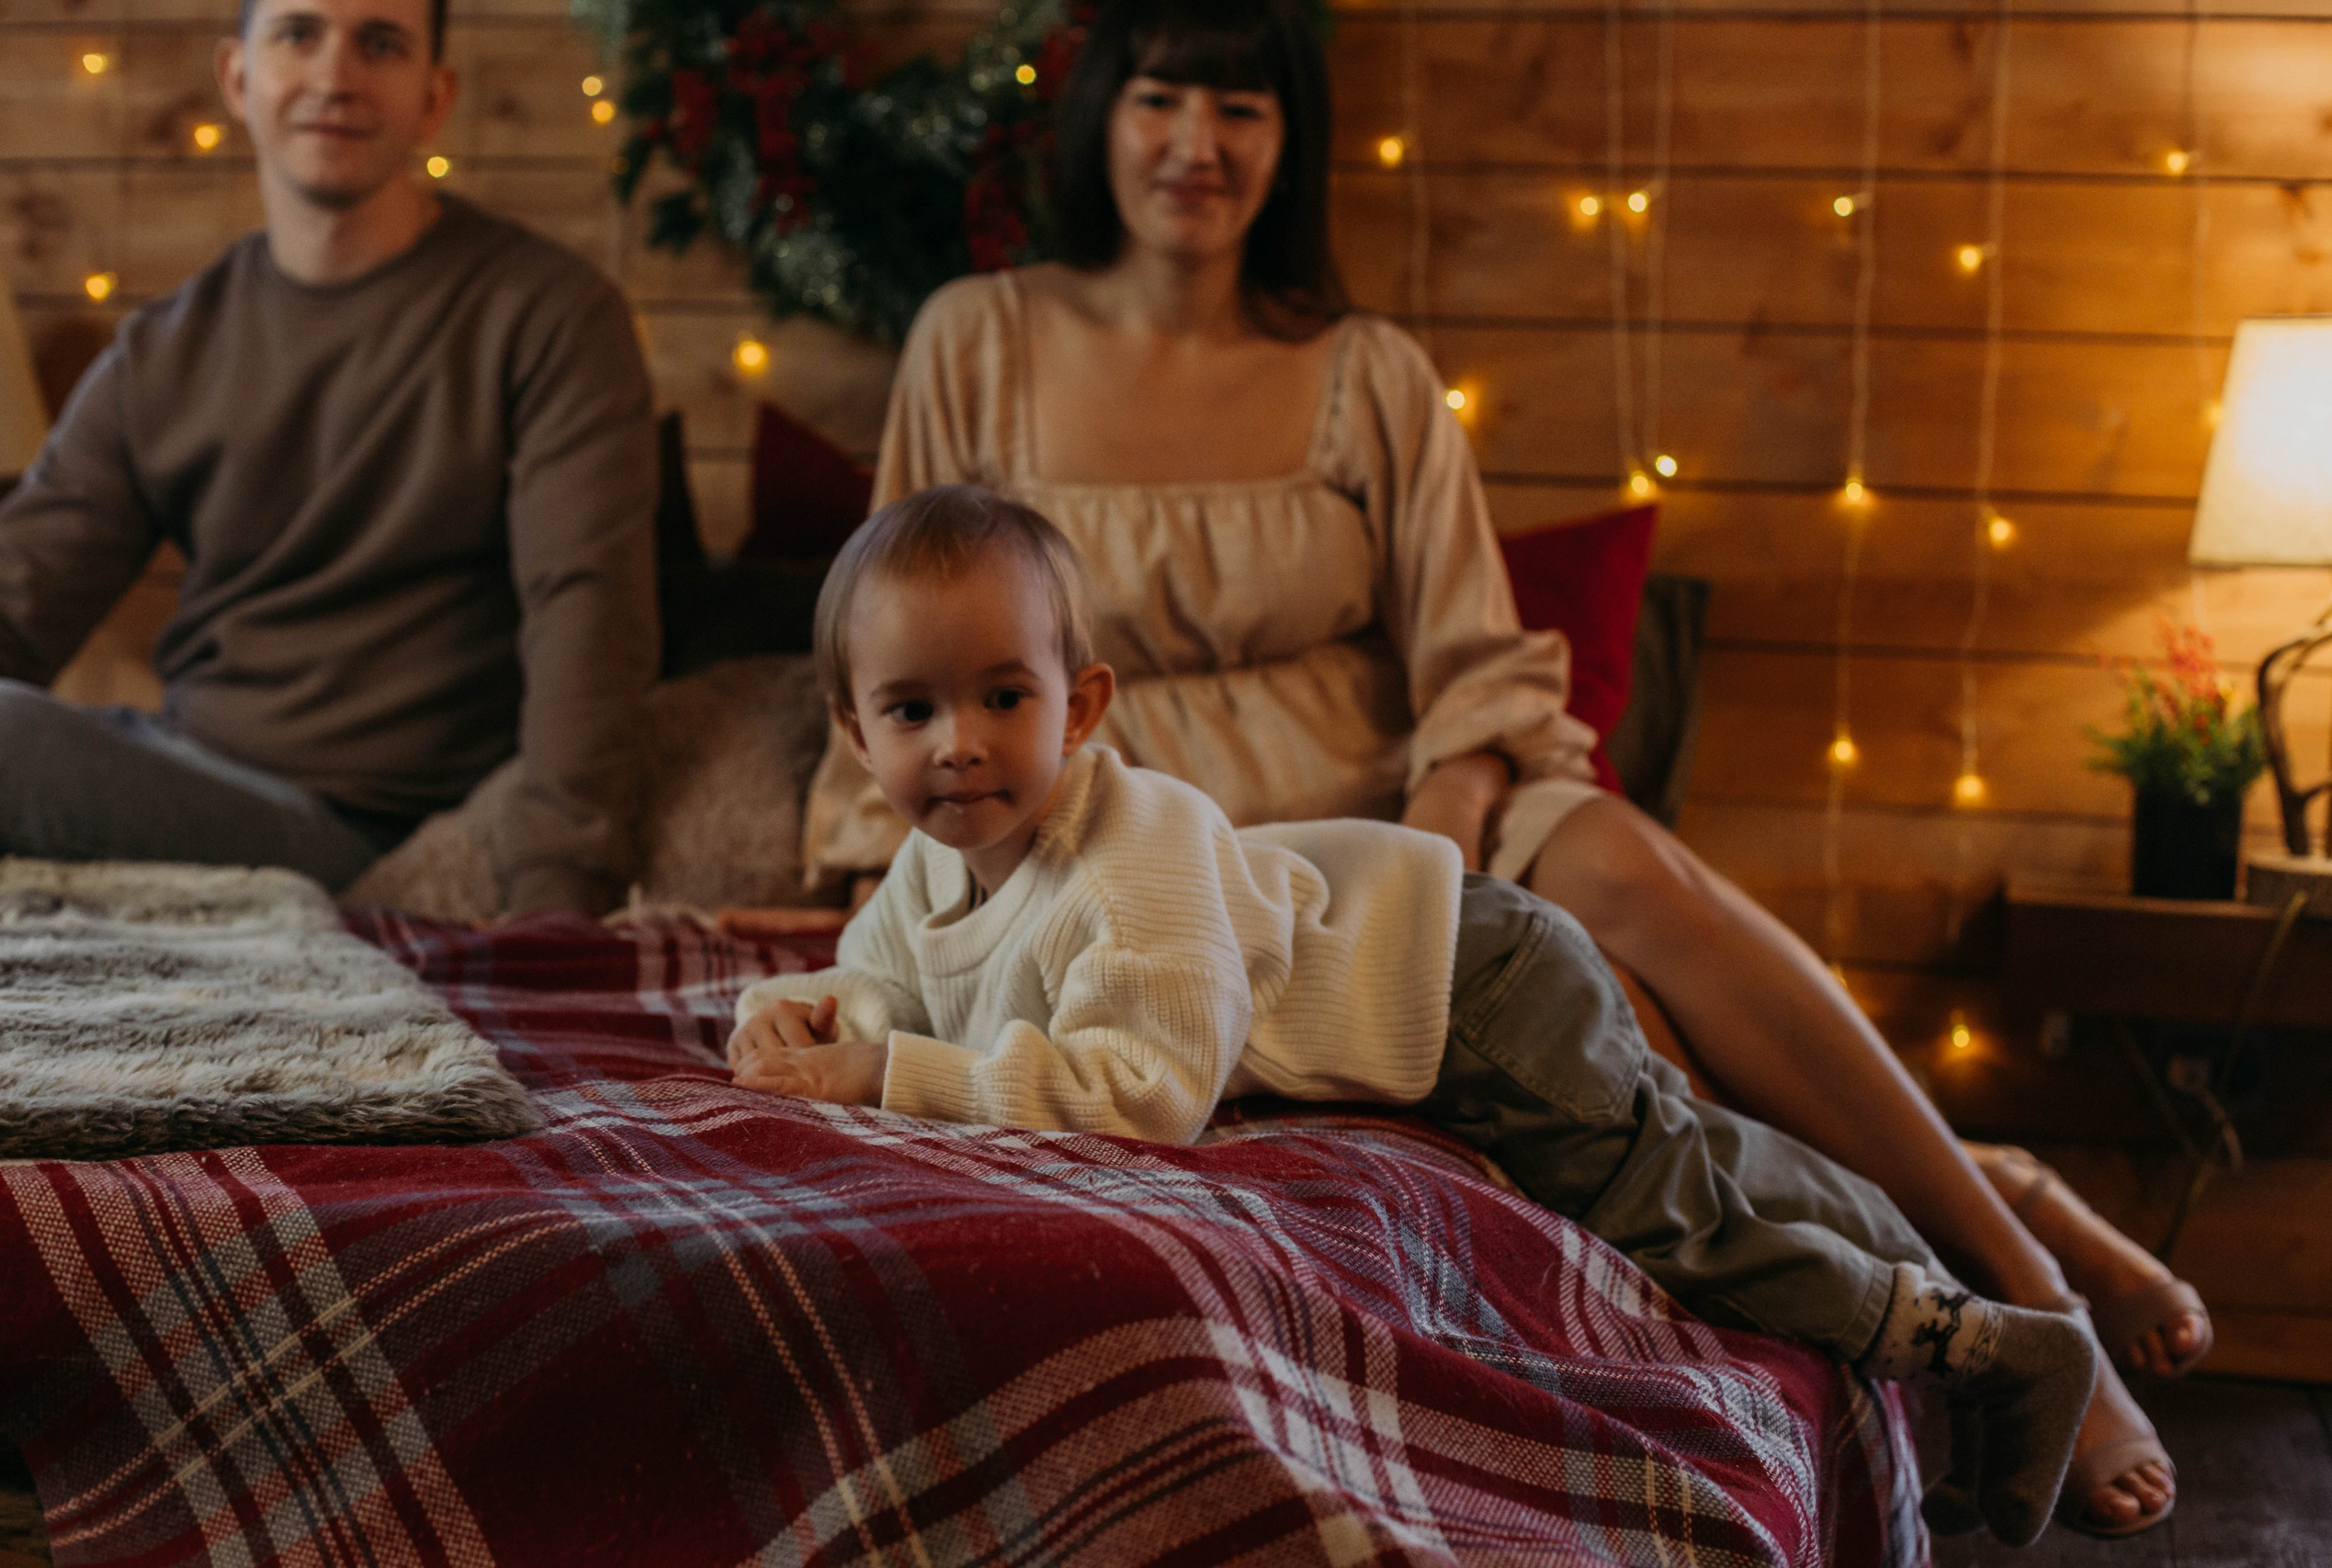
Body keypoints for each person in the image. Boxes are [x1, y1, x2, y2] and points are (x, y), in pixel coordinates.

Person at [801, 0, 2194, 1538]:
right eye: (1160, 97)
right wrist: (878, 909)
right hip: (1098, 826)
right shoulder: (975, 340)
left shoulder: (1367, 370)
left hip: (1390, 824)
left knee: (1618, 866)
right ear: (1099, 117)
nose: (1197, 144)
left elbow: (1474, 659)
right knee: (1657, 1121)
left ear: (1292, 141)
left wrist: (1444, 836)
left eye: (1244, 110)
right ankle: (2009, 1204)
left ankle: (2017, 1280)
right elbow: (913, 641)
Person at [738, 485, 2098, 1548]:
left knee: (1673, 1218)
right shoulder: (931, 859)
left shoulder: (1131, 843)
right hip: (1456, 968)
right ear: (857, 736)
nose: (958, 742)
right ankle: (1951, 1267)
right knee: (1706, 1150)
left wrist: (891, 1075)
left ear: (1080, 705)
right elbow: (890, 973)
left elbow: (1151, 1088)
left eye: (1003, 696)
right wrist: (811, 1018)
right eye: (913, 709)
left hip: (1476, 988)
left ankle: (1990, 1349)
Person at [0, 0, 658, 914]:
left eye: (381, 44)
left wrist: (558, 893)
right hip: (176, 761)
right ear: (238, 78)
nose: (335, 77)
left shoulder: (551, 316)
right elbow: (12, 606)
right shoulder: (166, 348)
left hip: (359, 821)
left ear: (434, 97)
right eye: (298, 35)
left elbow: (589, 612)